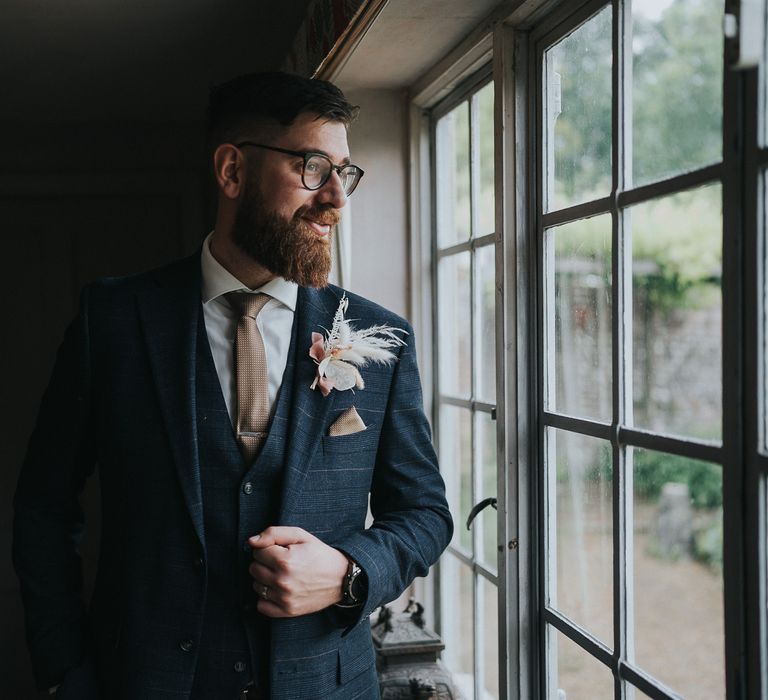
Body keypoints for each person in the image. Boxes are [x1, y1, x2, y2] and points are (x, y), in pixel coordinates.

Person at [12, 72, 452, 699]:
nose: (336, 198)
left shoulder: (381, 338)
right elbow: (43, 507)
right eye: (312, 167)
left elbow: (425, 514)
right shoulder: (112, 322)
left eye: (344, 173)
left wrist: (349, 573)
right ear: (231, 171)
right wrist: (64, 672)